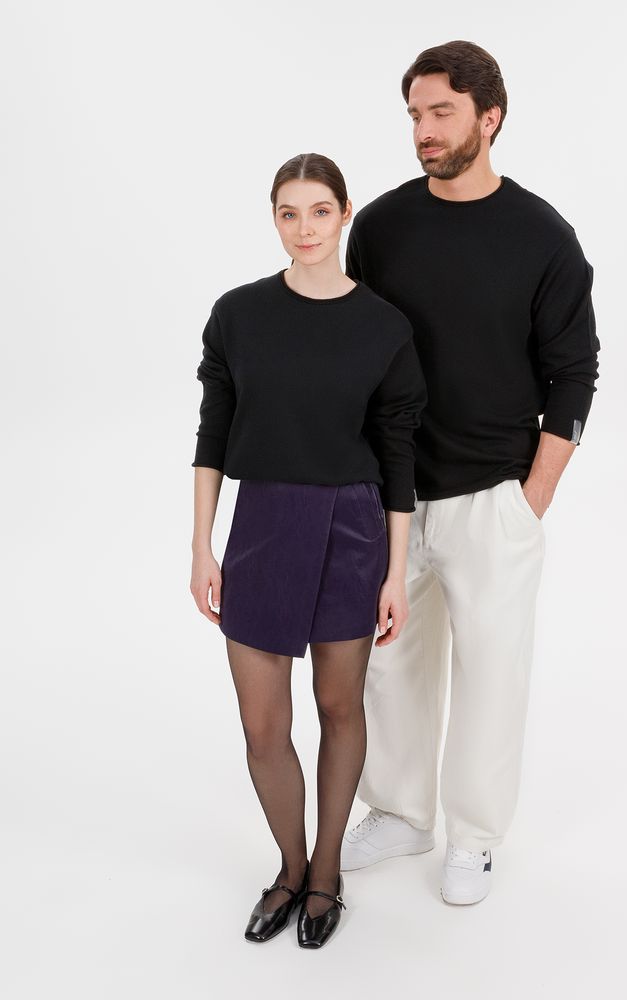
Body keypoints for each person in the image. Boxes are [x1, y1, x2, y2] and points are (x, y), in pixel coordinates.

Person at [341, 40, 601, 904]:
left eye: (441, 112)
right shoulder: (380, 227)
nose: (423, 129)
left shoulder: (542, 237)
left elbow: (574, 371)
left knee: (492, 673)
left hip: (494, 495)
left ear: (490, 118)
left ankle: (476, 838)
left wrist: (534, 497)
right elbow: (355, 350)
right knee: (391, 666)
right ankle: (401, 813)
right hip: (393, 494)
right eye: (415, 113)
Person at [189, 153, 428, 947]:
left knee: (338, 706)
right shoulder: (238, 315)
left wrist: (395, 572)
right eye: (288, 213)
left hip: (353, 526)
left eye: (320, 211)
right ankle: (290, 868)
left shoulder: (384, 326)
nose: (305, 228)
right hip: (260, 525)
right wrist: (202, 547)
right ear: (274, 219)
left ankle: (327, 872)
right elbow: (212, 436)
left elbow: (398, 456)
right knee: (263, 725)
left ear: (344, 213)